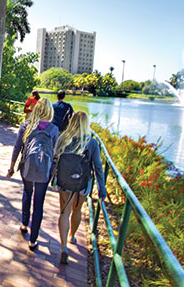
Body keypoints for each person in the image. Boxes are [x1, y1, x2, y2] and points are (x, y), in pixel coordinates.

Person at [53, 111, 107, 264]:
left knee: (64, 212)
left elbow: (56, 158)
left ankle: (63, 247)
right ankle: (72, 237)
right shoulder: (92, 142)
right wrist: (102, 189)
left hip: (64, 182)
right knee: (77, 210)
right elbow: (98, 168)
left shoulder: (63, 138)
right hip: (83, 183)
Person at [6, 98, 59, 251]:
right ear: (49, 112)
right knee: (39, 203)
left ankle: (24, 223)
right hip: (44, 170)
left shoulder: (26, 126)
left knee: (27, 193)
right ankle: (33, 240)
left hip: (27, 167)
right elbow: (55, 153)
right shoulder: (54, 129)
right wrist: (54, 172)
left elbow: (17, 147)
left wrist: (11, 167)